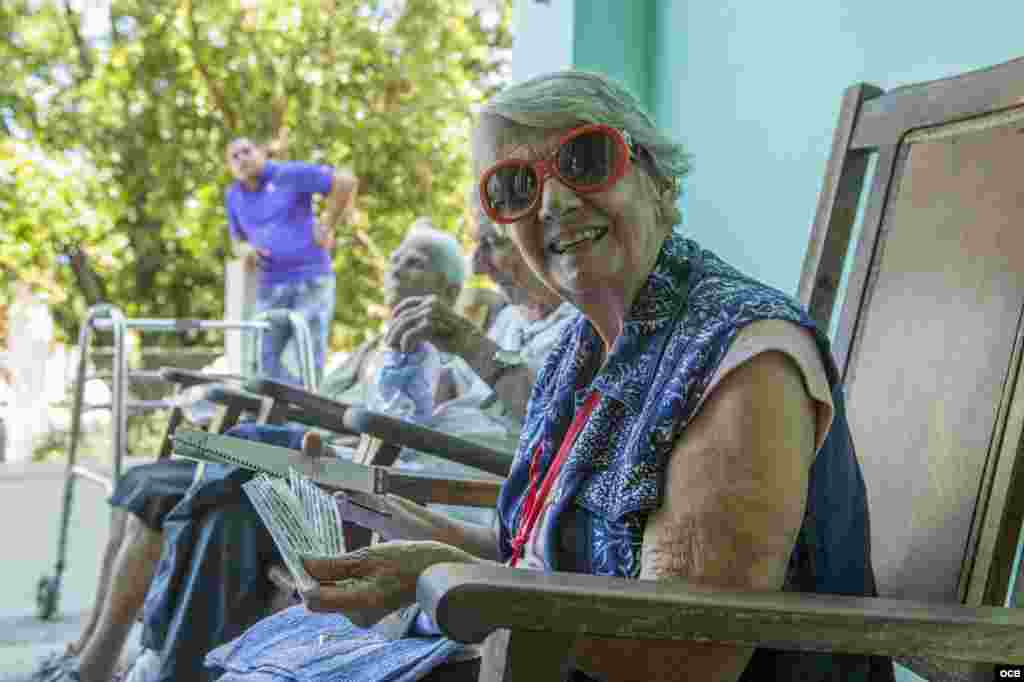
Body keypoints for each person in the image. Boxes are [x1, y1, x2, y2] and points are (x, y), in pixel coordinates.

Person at [208, 70, 894, 682]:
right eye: (515, 186)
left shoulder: (744, 356)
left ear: (658, 178)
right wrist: (397, 525)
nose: (555, 202)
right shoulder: (583, 349)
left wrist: (439, 581)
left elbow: (689, 654)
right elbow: (541, 566)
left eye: (586, 159)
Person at [34, 216, 574, 682]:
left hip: (425, 486)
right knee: (218, 493)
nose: (483, 261)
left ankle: (157, 658)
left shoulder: (565, 330)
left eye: (494, 244)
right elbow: (420, 408)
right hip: (387, 465)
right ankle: (157, 660)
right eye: (480, 244)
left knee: (227, 472)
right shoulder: (504, 322)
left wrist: (460, 351)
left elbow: (544, 424)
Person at [225, 137, 359, 385]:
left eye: (247, 151)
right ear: (229, 167)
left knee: (306, 356)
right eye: (235, 156)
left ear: (261, 153)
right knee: (261, 357)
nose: (242, 158)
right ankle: (284, 411)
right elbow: (237, 242)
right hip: (270, 284)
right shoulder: (233, 196)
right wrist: (246, 250)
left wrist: (328, 224)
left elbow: (346, 181)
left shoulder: (289, 173)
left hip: (311, 280)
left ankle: (302, 413)